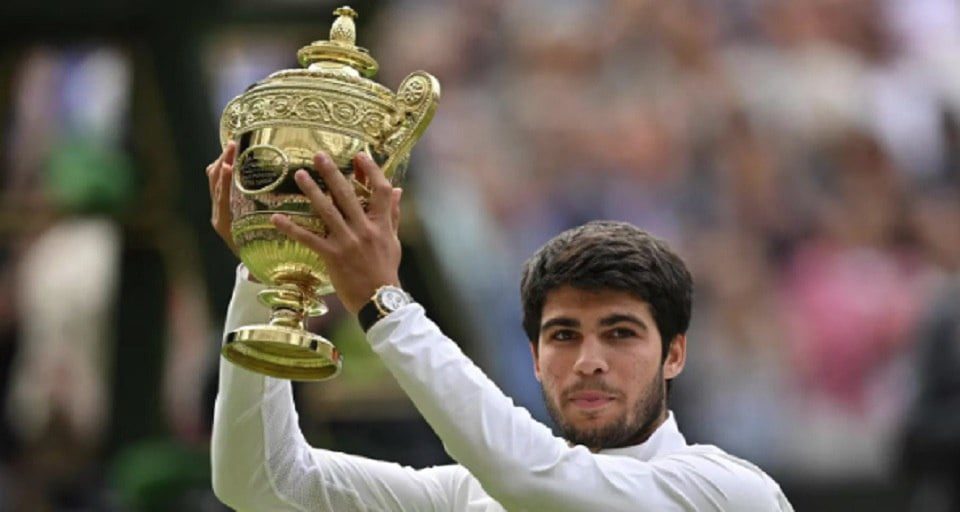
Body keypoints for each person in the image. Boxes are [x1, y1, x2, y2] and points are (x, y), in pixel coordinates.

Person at [208, 144, 794, 511]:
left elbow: (535, 481)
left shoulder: (725, 492)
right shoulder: (468, 496)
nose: (589, 359)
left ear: (674, 355)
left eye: (620, 333)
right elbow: (262, 481)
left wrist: (384, 304)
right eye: (564, 335)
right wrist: (270, 268)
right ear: (535, 358)